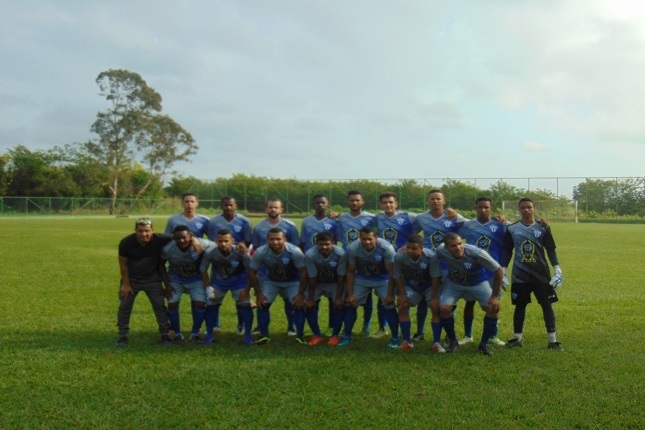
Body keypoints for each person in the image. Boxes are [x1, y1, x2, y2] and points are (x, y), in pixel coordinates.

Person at [500, 198, 563, 350]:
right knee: (520, 306)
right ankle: (517, 338)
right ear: (519, 209)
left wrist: (557, 268)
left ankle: (552, 340)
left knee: (546, 305)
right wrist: (503, 270)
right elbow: (507, 250)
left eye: (529, 207)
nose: (526, 210)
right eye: (523, 208)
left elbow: (551, 249)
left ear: (534, 208)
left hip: (541, 274)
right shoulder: (512, 229)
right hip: (519, 275)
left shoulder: (543, 228)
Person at [411, 189, 468, 346]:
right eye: (432, 199)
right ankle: (420, 332)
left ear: (444, 201)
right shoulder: (421, 218)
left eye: (438, 199)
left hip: (448, 263)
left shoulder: (452, 216)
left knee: (448, 298)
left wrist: (457, 214)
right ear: (428, 201)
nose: (435, 201)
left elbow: (468, 225)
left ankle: (449, 334)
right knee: (423, 296)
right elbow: (411, 234)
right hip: (428, 262)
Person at [431, 233, 502, 356]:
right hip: (454, 283)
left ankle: (484, 344)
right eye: (453, 246)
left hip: (477, 282)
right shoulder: (441, 250)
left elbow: (498, 270)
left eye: (460, 244)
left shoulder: (477, 253)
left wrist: (494, 297)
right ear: (446, 247)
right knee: (444, 308)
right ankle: (453, 341)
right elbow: (429, 255)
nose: (458, 248)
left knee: (493, 308)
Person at [457, 196, 507, 346]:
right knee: (469, 302)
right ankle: (468, 335)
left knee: (493, 303)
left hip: (492, 272)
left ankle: (493, 336)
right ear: (475, 208)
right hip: (472, 270)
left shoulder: (499, 225)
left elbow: (516, 228)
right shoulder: (468, 225)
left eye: (486, 207)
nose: (483, 210)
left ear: (491, 208)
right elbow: (453, 236)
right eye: (480, 207)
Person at [337, 190, 387, 339]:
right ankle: (343, 327)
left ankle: (368, 326)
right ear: (347, 202)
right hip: (351, 259)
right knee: (352, 295)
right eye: (351, 200)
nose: (354, 203)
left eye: (357, 200)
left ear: (362, 202)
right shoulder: (342, 218)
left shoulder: (372, 218)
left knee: (375, 294)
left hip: (372, 260)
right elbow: (339, 236)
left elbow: (376, 235)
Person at [116, 217, 173, 347]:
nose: (144, 234)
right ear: (135, 231)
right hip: (132, 279)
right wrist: (125, 284)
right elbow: (123, 264)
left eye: (147, 231)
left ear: (153, 230)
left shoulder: (160, 239)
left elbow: (181, 235)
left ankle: (165, 333)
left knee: (159, 305)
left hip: (152, 278)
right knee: (125, 306)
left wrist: (194, 240)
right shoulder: (126, 242)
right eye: (140, 231)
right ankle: (122, 335)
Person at [245, 228, 308, 345]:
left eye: (278, 239)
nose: (275, 242)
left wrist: (300, 293)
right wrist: (258, 293)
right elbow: (252, 271)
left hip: (292, 281)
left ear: (284, 239)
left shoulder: (294, 251)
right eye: (271, 239)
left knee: (298, 305)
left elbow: (304, 272)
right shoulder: (261, 252)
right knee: (263, 304)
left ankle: (299, 336)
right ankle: (264, 335)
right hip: (272, 281)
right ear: (267, 240)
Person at [340, 227, 399, 348]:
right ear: (359, 238)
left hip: (383, 279)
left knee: (389, 305)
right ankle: (347, 336)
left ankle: (394, 338)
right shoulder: (353, 248)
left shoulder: (386, 248)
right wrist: (350, 294)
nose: (366, 242)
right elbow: (350, 271)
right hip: (362, 278)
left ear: (376, 238)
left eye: (369, 239)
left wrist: (390, 294)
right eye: (363, 239)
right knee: (351, 303)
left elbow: (392, 272)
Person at [251, 198, 300, 336]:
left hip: (288, 271)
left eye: (276, 207)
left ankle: (292, 326)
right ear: (266, 209)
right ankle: (260, 327)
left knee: (289, 300)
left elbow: (295, 246)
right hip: (265, 271)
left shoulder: (290, 226)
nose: (273, 210)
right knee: (262, 300)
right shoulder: (259, 227)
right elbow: (255, 248)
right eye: (270, 207)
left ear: (281, 209)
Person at [206, 196, 252, 335]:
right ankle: (215, 325)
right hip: (219, 261)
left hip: (238, 260)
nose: (228, 207)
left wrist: (241, 247)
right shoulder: (213, 222)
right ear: (221, 206)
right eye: (225, 205)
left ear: (236, 205)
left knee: (241, 298)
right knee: (215, 298)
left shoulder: (244, 221)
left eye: (231, 205)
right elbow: (212, 241)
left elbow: (248, 240)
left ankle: (241, 325)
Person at [161, 225, 215, 343]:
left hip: (196, 278)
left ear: (190, 236)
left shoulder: (202, 243)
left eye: (184, 237)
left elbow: (219, 246)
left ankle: (195, 333)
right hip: (175, 279)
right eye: (178, 238)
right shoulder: (168, 249)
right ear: (174, 238)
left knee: (200, 304)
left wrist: (238, 247)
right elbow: (161, 265)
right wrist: (167, 284)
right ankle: (177, 333)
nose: (181, 240)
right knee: (172, 304)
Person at [200, 228, 254, 345]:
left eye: (226, 241)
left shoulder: (240, 252)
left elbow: (251, 271)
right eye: (220, 241)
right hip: (218, 283)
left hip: (239, 283)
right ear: (216, 241)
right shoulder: (210, 252)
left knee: (245, 305)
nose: (223, 244)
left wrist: (247, 289)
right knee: (210, 305)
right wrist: (209, 288)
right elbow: (203, 270)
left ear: (232, 241)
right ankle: (210, 335)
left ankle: (248, 335)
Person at [300, 194, 341, 337]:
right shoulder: (306, 221)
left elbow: (337, 240)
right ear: (313, 205)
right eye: (317, 203)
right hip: (312, 261)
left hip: (330, 262)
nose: (320, 205)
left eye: (323, 203)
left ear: (328, 205)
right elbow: (303, 242)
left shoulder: (334, 221)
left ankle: (331, 327)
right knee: (312, 296)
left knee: (333, 300)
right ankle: (315, 331)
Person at [388, 234, 436, 350]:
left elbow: (436, 278)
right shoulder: (399, 256)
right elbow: (397, 276)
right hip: (412, 286)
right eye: (408, 247)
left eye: (413, 248)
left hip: (429, 286)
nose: (409, 250)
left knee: (437, 307)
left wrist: (434, 296)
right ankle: (407, 341)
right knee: (403, 305)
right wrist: (402, 294)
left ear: (421, 248)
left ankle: (437, 341)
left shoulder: (431, 257)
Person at [302, 231, 347, 346]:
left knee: (338, 305)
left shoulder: (341, 254)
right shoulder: (310, 254)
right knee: (310, 306)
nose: (324, 247)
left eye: (327, 244)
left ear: (333, 243)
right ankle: (317, 335)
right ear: (316, 244)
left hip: (335, 283)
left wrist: (338, 297)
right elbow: (312, 277)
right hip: (317, 283)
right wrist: (311, 298)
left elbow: (342, 277)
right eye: (321, 244)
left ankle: (335, 336)